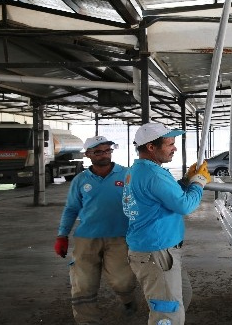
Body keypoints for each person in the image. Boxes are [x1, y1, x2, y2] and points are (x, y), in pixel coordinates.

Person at [122, 122, 210, 325]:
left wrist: (187, 180)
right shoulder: (153, 174)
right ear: (151, 147)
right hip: (156, 252)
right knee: (166, 313)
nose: (175, 148)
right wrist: (198, 182)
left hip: (158, 250)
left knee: (183, 296)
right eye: (170, 144)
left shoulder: (139, 170)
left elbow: (163, 196)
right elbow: (185, 205)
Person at [54, 135, 138, 324]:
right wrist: (62, 235)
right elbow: (71, 209)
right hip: (87, 238)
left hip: (120, 238)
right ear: (88, 155)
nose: (104, 155)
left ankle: (128, 300)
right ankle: (87, 321)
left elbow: (141, 203)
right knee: (83, 285)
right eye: (98, 151)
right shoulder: (80, 180)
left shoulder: (127, 175)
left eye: (107, 150)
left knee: (123, 281)